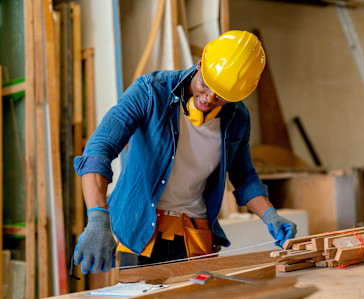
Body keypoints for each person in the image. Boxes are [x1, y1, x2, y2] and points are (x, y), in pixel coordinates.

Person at [73, 30, 297, 274]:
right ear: (200, 64)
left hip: (195, 236)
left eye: (221, 96)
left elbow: (244, 177)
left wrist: (270, 215)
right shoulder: (151, 92)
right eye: (206, 84)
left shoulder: (238, 117)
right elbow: (98, 150)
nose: (209, 98)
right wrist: (97, 218)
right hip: (139, 231)